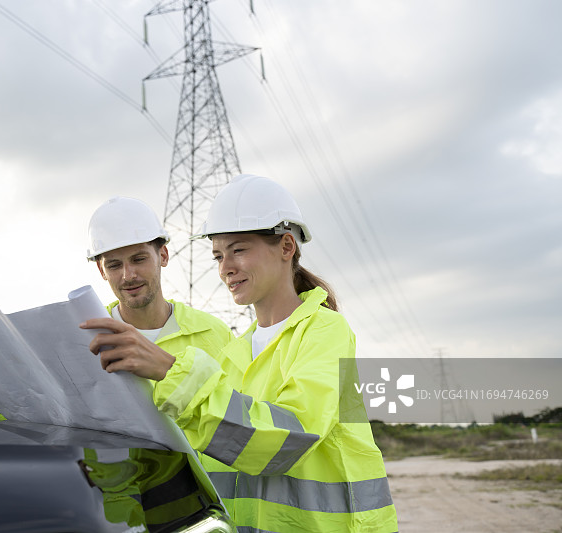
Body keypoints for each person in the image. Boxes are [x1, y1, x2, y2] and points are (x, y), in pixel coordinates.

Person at [81, 174, 398, 532]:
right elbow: (219, 452)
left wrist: (172, 374)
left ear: (286, 247)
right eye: (218, 255)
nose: (225, 267)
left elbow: (291, 439)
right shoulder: (235, 352)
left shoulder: (324, 331)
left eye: (239, 249)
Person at [0, 196, 234, 421]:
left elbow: (235, 417)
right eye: (114, 265)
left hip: (199, 501)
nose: (128, 275)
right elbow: (38, 412)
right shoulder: (78, 336)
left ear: (163, 255)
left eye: (139, 259)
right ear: (102, 272)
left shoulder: (215, 335)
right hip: (115, 501)